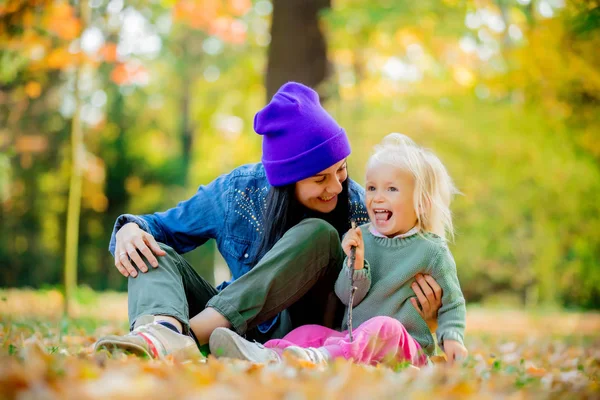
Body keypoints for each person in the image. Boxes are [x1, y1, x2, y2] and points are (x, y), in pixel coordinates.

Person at [94, 83, 443, 361]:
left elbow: (397, 272)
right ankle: (161, 331)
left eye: (342, 170)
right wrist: (129, 229)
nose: (336, 186)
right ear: (287, 179)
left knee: (320, 235)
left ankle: (184, 339)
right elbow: (160, 227)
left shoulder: (357, 204)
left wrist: (425, 317)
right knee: (152, 251)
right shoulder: (236, 193)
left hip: (305, 333)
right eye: (320, 179)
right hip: (225, 326)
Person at [209, 133, 467, 367]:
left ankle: (318, 359)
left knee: (386, 327)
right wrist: (356, 266)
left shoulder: (431, 250)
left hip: (404, 348)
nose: (377, 197)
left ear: (421, 203)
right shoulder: (362, 236)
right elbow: (346, 295)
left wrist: (451, 337)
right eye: (371, 187)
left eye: (391, 189)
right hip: (352, 340)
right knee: (308, 332)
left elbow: (452, 302)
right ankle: (266, 355)